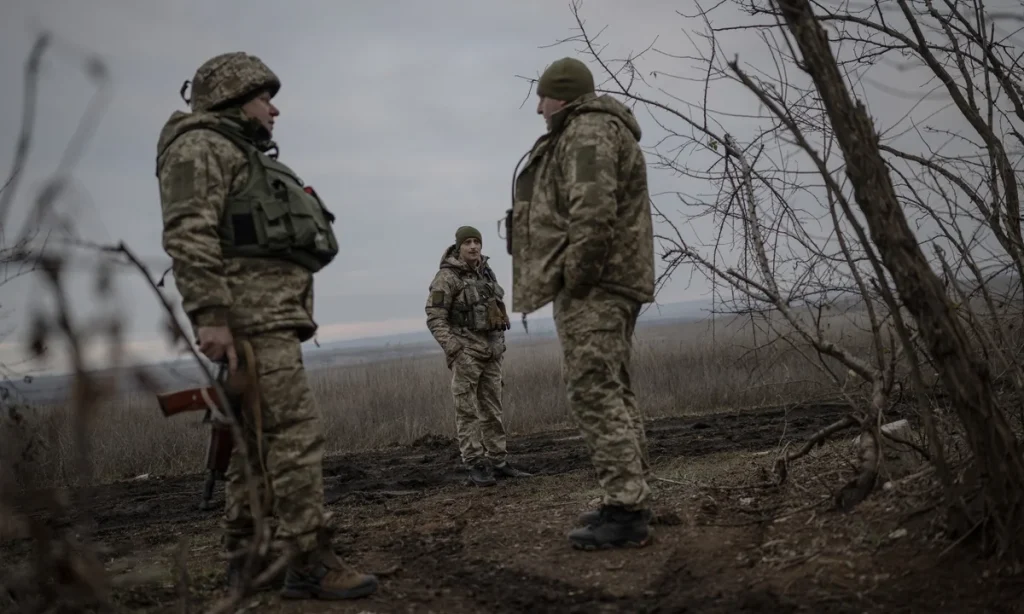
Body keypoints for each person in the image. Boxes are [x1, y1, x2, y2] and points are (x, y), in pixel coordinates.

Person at [155, 51, 378, 600]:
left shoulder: (233, 151)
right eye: (264, 98)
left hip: (267, 320)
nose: (274, 110)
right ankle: (310, 560)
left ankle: (249, 559)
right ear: (233, 97)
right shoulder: (201, 146)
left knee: (256, 445)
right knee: (295, 438)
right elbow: (189, 233)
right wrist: (211, 316)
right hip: (249, 321)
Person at [507, 56, 656, 550]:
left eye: (542, 98)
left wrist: (578, 278)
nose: (538, 110)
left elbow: (593, 210)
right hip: (611, 281)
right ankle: (629, 497)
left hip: (598, 284)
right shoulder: (591, 129)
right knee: (611, 384)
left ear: (563, 96)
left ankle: (626, 510)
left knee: (592, 388)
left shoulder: (589, 132)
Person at [425, 226, 533, 486]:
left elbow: (497, 311)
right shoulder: (447, 277)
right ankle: (474, 464)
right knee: (467, 411)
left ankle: (498, 461)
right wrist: (454, 349)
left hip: (491, 352)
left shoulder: (486, 274)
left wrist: (499, 343)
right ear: (459, 246)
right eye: (468, 243)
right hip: (466, 353)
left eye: (477, 242)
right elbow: (435, 317)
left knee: (492, 409)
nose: (473, 247)